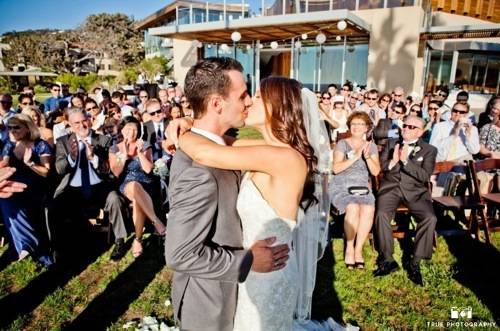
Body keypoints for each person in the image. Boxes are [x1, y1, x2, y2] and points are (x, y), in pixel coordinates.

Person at [165, 58, 293, 331]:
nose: (248, 102)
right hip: (211, 304)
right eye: (243, 95)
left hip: (243, 292)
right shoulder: (197, 171)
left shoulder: (226, 146)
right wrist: (247, 261)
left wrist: (185, 124)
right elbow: (180, 254)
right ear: (216, 104)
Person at [52, 108, 129, 261]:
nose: (82, 125)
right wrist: (71, 158)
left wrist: (93, 157)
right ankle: (61, 246)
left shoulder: (103, 140)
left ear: (89, 119)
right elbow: (60, 169)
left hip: (99, 186)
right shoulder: (63, 142)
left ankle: (120, 240)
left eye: (84, 120)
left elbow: (108, 171)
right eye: (77, 123)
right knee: (56, 204)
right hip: (74, 188)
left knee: (114, 199)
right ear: (70, 124)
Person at [373, 115, 438, 285]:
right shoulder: (391, 143)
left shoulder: (429, 150)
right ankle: (388, 259)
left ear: (421, 132)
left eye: (411, 127)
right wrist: (393, 162)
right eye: (405, 125)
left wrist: (405, 162)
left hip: (416, 192)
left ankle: (415, 261)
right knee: (381, 215)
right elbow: (381, 167)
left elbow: (425, 176)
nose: (406, 129)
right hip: (390, 189)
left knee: (430, 218)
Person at [0, 114, 53, 266]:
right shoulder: (9, 145)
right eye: (9, 127)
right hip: (15, 187)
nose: (12, 131)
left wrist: (30, 163)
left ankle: (25, 246)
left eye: (16, 127)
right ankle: (28, 245)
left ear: (28, 127)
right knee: (6, 198)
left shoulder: (40, 144)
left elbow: (46, 172)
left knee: (7, 199)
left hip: (37, 187)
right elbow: (4, 165)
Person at [109, 116, 165, 258]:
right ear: (122, 130)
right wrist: (125, 155)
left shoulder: (145, 145)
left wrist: (139, 153)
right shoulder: (115, 147)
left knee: (137, 200)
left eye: (135, 129)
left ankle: (137, 240)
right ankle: (156, 222)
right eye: (128, 129)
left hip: (146, 184)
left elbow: (148, 169)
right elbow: (116, 172)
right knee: (133, 186)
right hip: (126, 184)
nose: (131, 132)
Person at [330, 112, 380, 269]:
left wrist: (368, 157)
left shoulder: (371, 146)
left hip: (361, 186)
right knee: (352, 208)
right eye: (353, 124)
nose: (356, 127)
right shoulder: (342, 144)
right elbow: (336, 169)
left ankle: (358, 250)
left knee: (368, 208)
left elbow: (375, 172)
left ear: (366, 128)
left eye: (360, 124)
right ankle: (349, 248)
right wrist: (354, 157)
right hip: (342, 184)